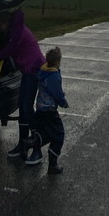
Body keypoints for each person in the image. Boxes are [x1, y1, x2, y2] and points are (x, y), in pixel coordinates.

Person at [0, 8, 44, 162]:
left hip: (34, 69)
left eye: (1, 25)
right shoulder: (15, 29)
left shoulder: (17, 31)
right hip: (28, 70)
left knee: (26, 108)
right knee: (22, 106)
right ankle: (22, 145)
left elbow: (8, 50)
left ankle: (37, 149)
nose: (0, 28)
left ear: (6, 22)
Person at [33, 46, 68, 174]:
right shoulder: (53, 76)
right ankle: (52, 165)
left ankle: (34, 141)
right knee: (59, 134)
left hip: (41, 108)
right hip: (49, 110)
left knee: (47, 131)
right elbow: (57, 93)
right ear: (58, 62)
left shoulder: (43, 72)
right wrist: (63, 102)